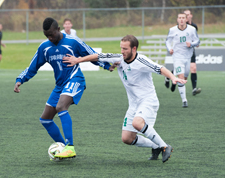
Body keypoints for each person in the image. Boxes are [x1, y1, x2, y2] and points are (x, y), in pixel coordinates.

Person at [63, 35, 187, 163]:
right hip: (133, 104)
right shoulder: (119, 58)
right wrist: (78, 60)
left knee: (137, 123)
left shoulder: (142, 61)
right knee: (127, 138)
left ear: (134, 49)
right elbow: (98, 56)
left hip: (148, 101)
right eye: (121, 48)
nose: (122, 51)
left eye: (125, 49)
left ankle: (164, 146)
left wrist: (173, 78)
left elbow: (160, 68)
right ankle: (155, 146)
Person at [14, 17, 114, 159]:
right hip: (60, 85)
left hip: (75, 80)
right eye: (46, 35)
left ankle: (70, 147)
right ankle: (64, 147)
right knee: (45, 119)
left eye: (52, 34)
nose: (50, 37)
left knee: (61, 106)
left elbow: (90, 53)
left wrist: (106, 65)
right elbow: (33, 66)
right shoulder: (44, 47)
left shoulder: (72, 41)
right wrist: (20, 80)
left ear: (58, 29)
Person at [165, 13, 200, 108]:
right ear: (177, 19)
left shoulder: (192, 29)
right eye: (179, 18)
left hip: (188, 56)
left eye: (183, 18)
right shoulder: (172, 30)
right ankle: (184, 100)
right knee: (181, 78)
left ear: (186, 19)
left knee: (184, 78)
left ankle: (170, 78)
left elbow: (197, 41)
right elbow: (167, 41)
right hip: (177, 56)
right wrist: (170, 49)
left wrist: (191, 44)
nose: (181, 20)